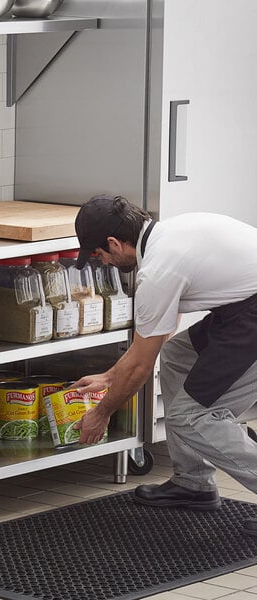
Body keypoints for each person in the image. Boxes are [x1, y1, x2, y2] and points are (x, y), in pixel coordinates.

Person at [71, 194, 257, 534]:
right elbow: (159, 336)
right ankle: (193, 482)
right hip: (241, 309)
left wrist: (101, 414)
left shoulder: (157, 271)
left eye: (99, 254)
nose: (103, 262)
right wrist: (111, 375)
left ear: (114, 242)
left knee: (192, 418)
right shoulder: (171, 234)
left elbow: (141, 367)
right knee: (178, 356)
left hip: (250, 314)